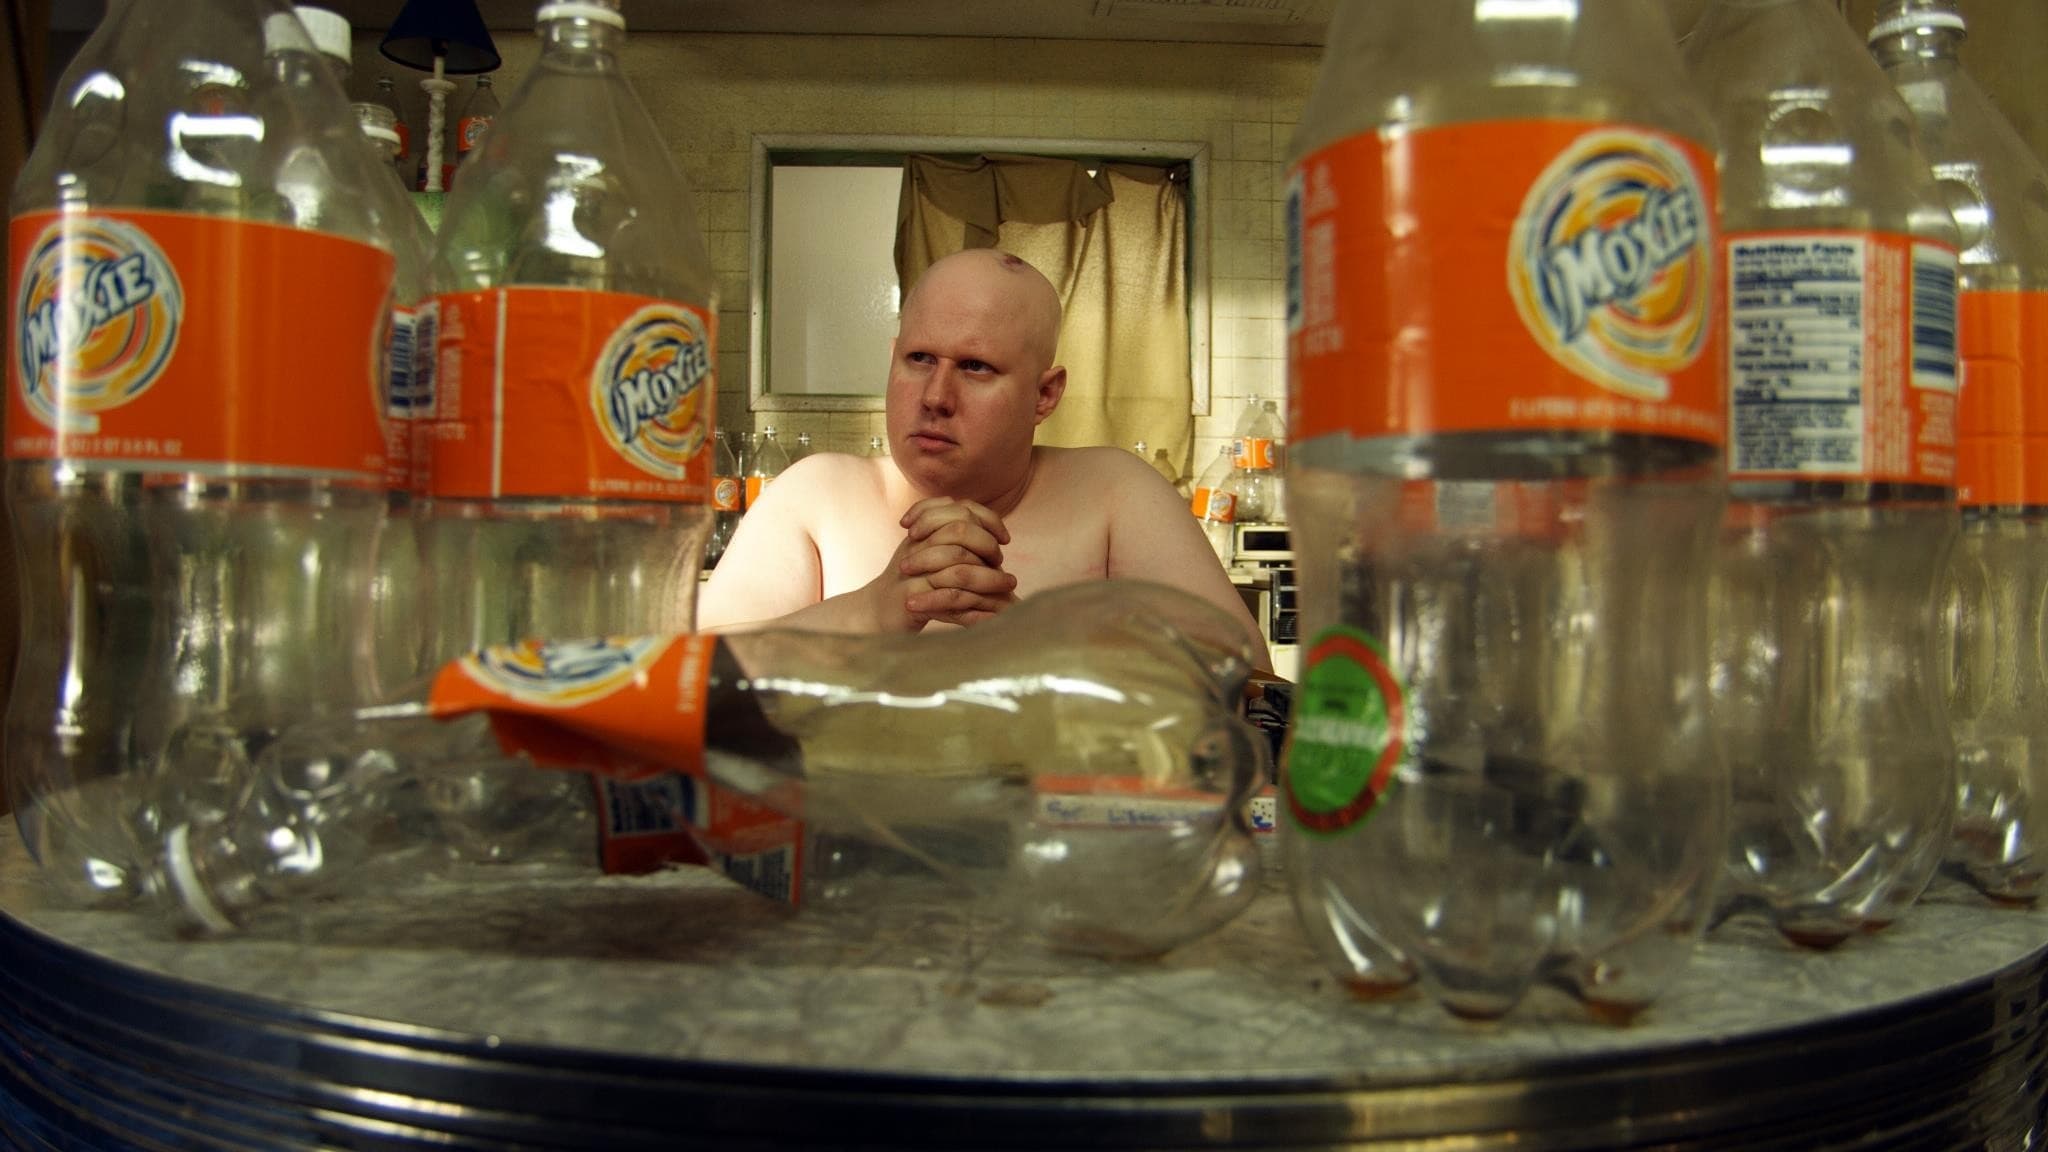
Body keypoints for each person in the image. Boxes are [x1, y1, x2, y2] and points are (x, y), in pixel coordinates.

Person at [698, 247, 1271, 670]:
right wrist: (873, 611)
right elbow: (690, 681)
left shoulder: (1116, 494)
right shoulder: (817, 495)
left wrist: (1032, 640)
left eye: (976, 367)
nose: (935, 397)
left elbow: (1249, 687)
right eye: (919, 359)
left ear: (1044, 395)